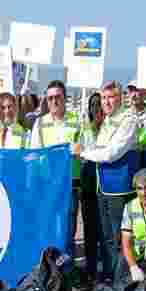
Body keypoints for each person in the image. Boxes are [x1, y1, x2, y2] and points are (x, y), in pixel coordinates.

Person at [77, 81, 143, 284]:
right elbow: (99, 150)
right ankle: (109, 277)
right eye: (104, 98)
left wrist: (84, 152)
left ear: (120, 98)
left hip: (120, 189)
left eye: (111, 97)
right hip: (103, 187)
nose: (106, 102)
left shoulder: (128, 119)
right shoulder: (107, 121)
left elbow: (111, 153)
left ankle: (121, 281)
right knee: (106, 238)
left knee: (119, 237)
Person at [29, 81, 83, 255]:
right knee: (49, 228)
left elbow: (84, 148)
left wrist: (79, 149)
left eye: (58, 97)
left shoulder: (77, 121)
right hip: (48, 184)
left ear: (64, 98)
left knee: (68, 229)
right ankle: (50, 266)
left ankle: (67, 267)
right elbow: (34, 153)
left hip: (70, 184)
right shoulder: (40, 123)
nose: (54, 101)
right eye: (50, 98)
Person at [78, 92, 106, 284]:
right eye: (93, 105)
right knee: (89, 232)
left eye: (99, 104)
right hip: (88, 187)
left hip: (105, 188)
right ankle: (90, 272)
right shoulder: (85, 130)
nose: (97, 108)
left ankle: (105, 272)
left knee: (105, 233)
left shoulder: (110, 129)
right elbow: (81, 155)